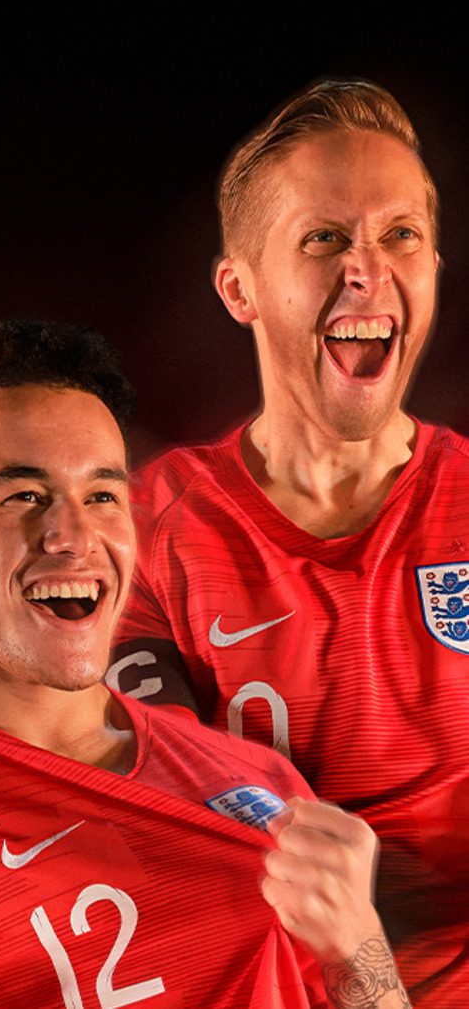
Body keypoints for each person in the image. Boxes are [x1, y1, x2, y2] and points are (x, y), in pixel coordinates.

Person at [0, 319, 410, 1009]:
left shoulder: (261, 781)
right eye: (23, 497)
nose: (73, 537)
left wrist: (357, 947)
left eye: (102, 495)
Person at [107, 80, 466, 1005]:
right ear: (240, 288)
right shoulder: (139, 529)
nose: (368, 269)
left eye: (401, 237)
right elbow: (170, 826)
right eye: (324, 239)